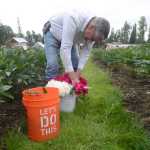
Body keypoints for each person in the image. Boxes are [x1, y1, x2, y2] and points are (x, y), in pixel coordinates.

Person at [43, 10, 110, 85]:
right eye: (92, 39)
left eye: (93, 40)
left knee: (75, 64)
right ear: (91, 27)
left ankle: (69, 90)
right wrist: (73, 77)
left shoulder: (93, 32)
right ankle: (50, 90)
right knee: (53, 64)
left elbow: (85, 54)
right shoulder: (73, 18)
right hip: (52, 33)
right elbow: (65, 49)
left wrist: (77, 75)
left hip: (70, 39)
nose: (90, 41)